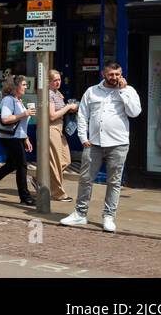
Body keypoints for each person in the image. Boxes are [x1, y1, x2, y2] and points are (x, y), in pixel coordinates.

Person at [61, 61, 142, 233]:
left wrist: (123, 91)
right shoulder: (92, 91)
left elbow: (135, 112)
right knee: (85, 179)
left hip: (118, 143)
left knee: (113, 181)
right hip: (94, 143)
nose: (114, 78)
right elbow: (82, 115)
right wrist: (83, 137)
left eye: (117, 74)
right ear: (103, 74)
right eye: (111, 74)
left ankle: (108, 216)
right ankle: (80, 214)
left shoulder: (129, 91)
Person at [0, 75, 35, 206]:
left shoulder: (18, 100)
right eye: (24, 85)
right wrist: (24, 114)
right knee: (22, 166)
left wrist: (26, 138)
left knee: (11, 165)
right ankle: (25, 196)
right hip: (11, 138)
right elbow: (5, 119)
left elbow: (20, 124)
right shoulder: (8, 100)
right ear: (15, 87)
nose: (26, 87)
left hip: (18, 137)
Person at [47, 69, 78, 203]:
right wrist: (68, 107)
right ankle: (58, 193)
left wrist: (70, 107)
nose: (58, 82)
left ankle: (40, 178)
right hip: (51, 128)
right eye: (55, 80)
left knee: (66, 159)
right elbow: (52, 115)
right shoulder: (48, 94)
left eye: (59, 80)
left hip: (59, 129)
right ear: (48, 81)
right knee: (55, 162)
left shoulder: (57, 93)